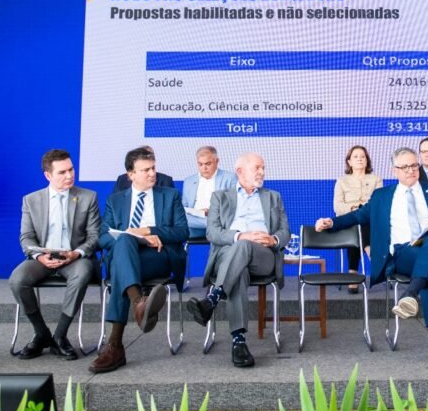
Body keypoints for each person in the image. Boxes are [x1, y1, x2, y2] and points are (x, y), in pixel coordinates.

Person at [316, 147, 428, 366]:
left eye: (414, 166)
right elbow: (358, 216)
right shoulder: (382, 196)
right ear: (394, 170)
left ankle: (411, 293)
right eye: (404, 167)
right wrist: (331, 223)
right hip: (404, 254)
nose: (410, 171)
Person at [89, 147, 189, 373]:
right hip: (127, 255)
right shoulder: (115, 200)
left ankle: (115, 346)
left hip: (158, 256)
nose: (152, 173)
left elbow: (182, 231)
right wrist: (131, 237)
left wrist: (147, 231)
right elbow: (103, 237)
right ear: (130, 174)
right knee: (124, 242)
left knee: (121, 267)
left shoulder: (170, 195)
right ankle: (138, 304)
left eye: (153, 168)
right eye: (145, 170)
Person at [186, 152, 290, 368]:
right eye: (257, 168)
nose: (262, 172)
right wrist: (241, 236)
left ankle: (213, 298)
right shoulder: (220, 197)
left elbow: (285, 232)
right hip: (229, 254)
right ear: (240, 171)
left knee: (244, 247)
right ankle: (239, 342)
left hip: (263, 256)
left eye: (263, 168)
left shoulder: (273, 196)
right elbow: (212, 233)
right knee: (239, 269)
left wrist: (273, 239)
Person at [9, 149, 101, 361]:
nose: (69, 175)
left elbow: (95, 236)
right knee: (17, 280)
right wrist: (39, 257)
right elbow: (26, 237)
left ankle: (60, 336)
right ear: (48, 175)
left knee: (82, 273)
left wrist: (75, 254)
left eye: (71, 169)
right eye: (62, 172)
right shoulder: (31, 200)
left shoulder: (88, 197)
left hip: (75, 258)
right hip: (43, 258)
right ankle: (41, 333)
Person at [333, 145, 381, 293]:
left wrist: (363, 210)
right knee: (356, 221)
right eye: (356, 156)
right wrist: (355, 207)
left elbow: (378, 203)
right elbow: (338, 207)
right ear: (349, 161)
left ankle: (352, 274)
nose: (360, 159)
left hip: (370, 218)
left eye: (363, 156)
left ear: (367, 161)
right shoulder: (341, 181)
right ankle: (371, 252)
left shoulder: (376, 179)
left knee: (362, 220)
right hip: (348, 219)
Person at [181, 146, 237, 238]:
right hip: (195, 223)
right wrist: (197, 212)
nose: (204, 168)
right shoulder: (189, 181)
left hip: (218, 217)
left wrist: (211, 212)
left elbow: (234, 205)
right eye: (200, 164)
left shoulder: (230, 178)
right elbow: (184, 207)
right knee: (179, 218)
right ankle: (213, 225)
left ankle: (213, 224)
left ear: (217, 161)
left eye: (208, 164)